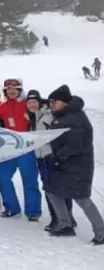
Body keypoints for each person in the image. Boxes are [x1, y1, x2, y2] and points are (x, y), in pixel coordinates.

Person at [44, 85, 104, 245]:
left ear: (64, 102)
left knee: (81, 198)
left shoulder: (75, 117)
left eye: (54, 101)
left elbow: (75, 145)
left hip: (78, 165)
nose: (52, 104)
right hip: (64, 164)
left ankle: (101, 231)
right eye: (50, 101)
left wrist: (58, 156)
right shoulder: (64, 115)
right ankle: (65, 225)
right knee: (52, 191)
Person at [25, 89, 75, 231]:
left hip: (50, 157)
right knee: (54, 188)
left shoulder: (48, 115)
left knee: (53, 189)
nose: (32, 104)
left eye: (35, 102)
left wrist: (57, 154)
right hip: (41, 157)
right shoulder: (35, 116)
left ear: (40, 102)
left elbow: (57, 135)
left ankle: (59, 219)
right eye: (29, 102)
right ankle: (65, 218)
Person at [0, 78, 41, 221]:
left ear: (20, 91)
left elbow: (42, 108)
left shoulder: (27, 105)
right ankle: (12, 208)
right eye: (8, 90)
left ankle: (33, 211)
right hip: (10, 148)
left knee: (29, 180)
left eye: (15, 89)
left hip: (27, 148)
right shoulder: (1, 107)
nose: (11, 92)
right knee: (2, 177)